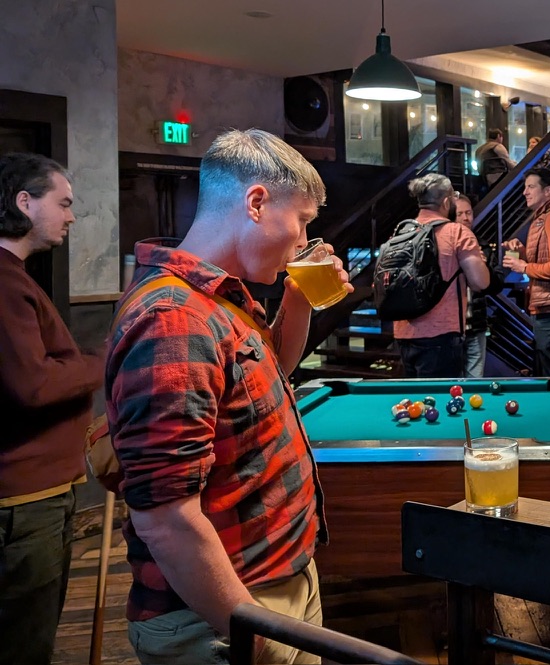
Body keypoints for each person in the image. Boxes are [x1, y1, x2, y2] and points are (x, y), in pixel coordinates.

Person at [105, 129, 351, 664]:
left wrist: (299, 296)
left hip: (273, 579)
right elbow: (166, 519)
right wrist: (255, 634)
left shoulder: (219, 294)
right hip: (224, 612)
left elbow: (271, 376)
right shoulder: (175, 318)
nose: (305, 238)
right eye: (303, 220)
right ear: (257, 202)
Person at [0, 153, 104, 665]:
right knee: (24, 643)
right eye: (62, 203)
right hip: (23, 501)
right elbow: (34, 384)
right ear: (25, 202)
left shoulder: (15, 275)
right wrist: (104, 361)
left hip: (34, 493)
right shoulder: (4, 280)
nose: (70, 216)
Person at [393, 175, 491, 378]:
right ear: (446, 202)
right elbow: (481, 282)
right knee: (438, 402)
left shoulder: (401, 231)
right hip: (442, 335)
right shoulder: (457, 233)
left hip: (403, 333)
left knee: (415, 403)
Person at [502, 168, 550, 377]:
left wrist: (524, 267)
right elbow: (549, 262)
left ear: (548, 191)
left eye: (531, 187)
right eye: (524, 187)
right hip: (549, 308)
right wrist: (521, 252)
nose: (524, 192)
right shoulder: (544, 217)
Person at [454, 193, 504, 378]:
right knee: (451, 380)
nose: (466, 218)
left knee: (475, 380)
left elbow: (498, 283)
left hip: (476, 325)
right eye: (460, 214)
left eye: (469, 213)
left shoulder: (482, 245)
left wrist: (482, 270)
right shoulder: (442, 247)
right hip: (449, 329)